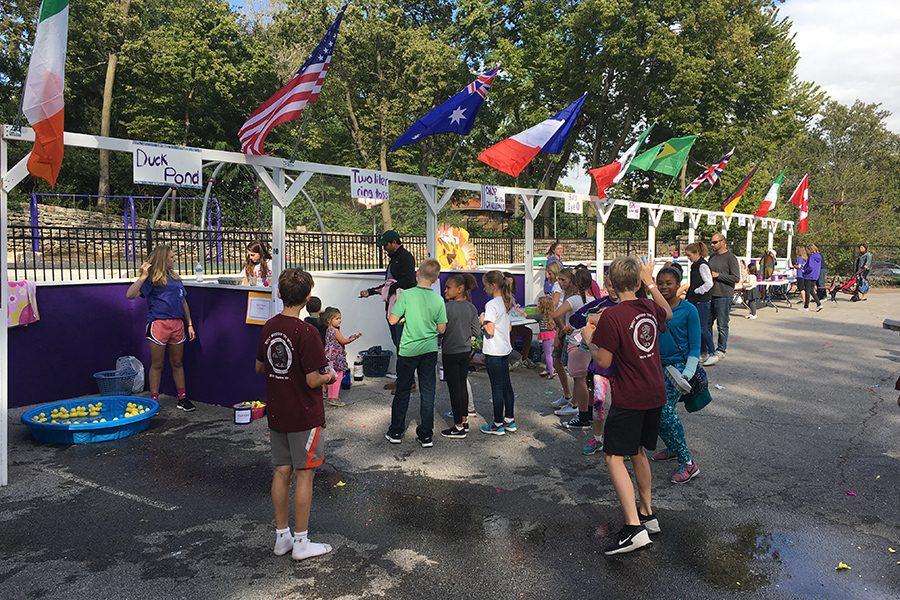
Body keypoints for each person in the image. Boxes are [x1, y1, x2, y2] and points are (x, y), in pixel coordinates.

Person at [582, 256, 672, 555]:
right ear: (637, 282)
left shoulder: (612, 316)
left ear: (612, 284)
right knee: (637, 451)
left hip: (630, 395)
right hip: (654, 391)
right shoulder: (648, 307)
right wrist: (650, 282)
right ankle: (647, 513)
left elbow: (604, 361)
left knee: (613, 456)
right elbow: (667, 313)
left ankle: (634, 528)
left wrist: (589, 340)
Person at [256, 268, 335, 561]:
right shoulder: (307, 332)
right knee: (305, 474)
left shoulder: (268, 327)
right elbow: (313, 379)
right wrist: (329, 377)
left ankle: (282, 536)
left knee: (281, 471)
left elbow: (260, 367)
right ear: (308, 298)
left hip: (278, 409)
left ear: (279, 294)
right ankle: (301, 542)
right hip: (305, 413)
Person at [384, 259, 447, 447]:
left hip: (408, 349)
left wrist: (404, 316)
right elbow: (442, 329)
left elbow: (393, 320)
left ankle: (396, 431)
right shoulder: (438, 299)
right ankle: (426, 434)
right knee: (428, 391)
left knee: (403, 389)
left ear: (417, 273)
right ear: (436, 279)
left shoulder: (406, 295)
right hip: (429, 349)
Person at [126, 245, 196, 412]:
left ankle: (182, 398)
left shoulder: (176, 278)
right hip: (159, 324)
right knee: (157, 364)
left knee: (177, 362)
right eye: (171, 257)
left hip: (177, 325)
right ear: (163, 259)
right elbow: (130, 294)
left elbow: (183, 301)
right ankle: (154, 400)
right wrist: (143, 276)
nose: (174, 259)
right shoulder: (152, 279)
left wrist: (190, 324)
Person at [651, 267, 701, 483]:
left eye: (669, 283)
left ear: (679, 283)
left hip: (678, 369)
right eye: (660, 282)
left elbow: (695, 347)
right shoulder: (653, 308)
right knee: (658, 410)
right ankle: (673, 447)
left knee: (664, 411)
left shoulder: (689, 310)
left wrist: (687, 373)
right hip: (656, 367)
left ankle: (688, 463)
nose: (664, 287)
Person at [359, 231, 417, 381]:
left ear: (393, 242)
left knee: (402, 345)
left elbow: (408, 281)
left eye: (385, 245)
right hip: (392, 308)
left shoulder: (405, 258)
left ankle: (407, 382)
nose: (384, 248)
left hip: (401, 308)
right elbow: (389, 284)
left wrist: (387, 289)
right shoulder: (395, 259)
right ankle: (402, 380)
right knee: (398, 344)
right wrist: (371, 292)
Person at [440, 274, 480, 439]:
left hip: (450, 352)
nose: (445, 290)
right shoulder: (472, 308)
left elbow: (441, 330)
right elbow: (476, 332)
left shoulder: (446, 308)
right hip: (465, 352)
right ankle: (464, 420)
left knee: (454, 389)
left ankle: (458, 426)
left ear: (460, 289)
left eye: (448, 287)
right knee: (462, 386)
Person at [480, 270, 517, 436]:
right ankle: (509, 419)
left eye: (485, 285)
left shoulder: (491, 305)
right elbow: (508, 327)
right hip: (504, 349)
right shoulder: (505, 301)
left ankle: (497, 423)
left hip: (493, 350)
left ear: (493, 285)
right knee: (506, 384)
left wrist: (482, 321)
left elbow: (490, 330)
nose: (484, 289)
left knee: (496, 387)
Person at [549, 268, 586, 419]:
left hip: (573, 337)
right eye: (559, 279)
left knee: (577, 374)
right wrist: (560, 330)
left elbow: (557, 314)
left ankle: (575, 404)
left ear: (571, 280)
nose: (560, 282)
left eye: (563, 280)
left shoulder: (575, 297)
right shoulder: (569, 295)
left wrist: (562, 329)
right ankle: (567, 396)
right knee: (557, 362)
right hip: (565, 333)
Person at [706, 234, 740, 365]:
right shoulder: (712, 256)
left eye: (715, 242)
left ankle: (721, 349)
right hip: (710, 294)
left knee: (722, 325)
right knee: (706, 324)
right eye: (712, 242)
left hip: (724, 295)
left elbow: (736, 278)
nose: (712, 245)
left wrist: (718, 275)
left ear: (723, 242)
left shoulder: (731, 258)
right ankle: (709, 349)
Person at [320, 307, 362, 407]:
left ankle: (327, 393)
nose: (340, 320)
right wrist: (354, 337)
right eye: (337, 318)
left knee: (331, 374)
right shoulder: (335, 331)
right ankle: (333, 397)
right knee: (337, 376)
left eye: (340, 318)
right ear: (329, 320)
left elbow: (332, 344)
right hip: (336, 358)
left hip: (329, 356)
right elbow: (343, 341)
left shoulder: (328, 330)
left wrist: (342, 350)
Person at [683, 243, 715, 363]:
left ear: (696, 253)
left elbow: (709, 283)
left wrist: (697, 291)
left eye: (689, 255)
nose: (688, 258)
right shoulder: (696, 265)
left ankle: (712, 352)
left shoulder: (702, 266)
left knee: (703, 328)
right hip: (695, 300)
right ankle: (703, 352)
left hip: (701, 301)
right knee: (698, 328)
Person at [536, 295, 558, 379]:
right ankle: (549, 369)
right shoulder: (552, 315)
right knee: (551, 354)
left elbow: (527, 316)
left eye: (538, 304)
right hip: (553, 336)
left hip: (547, 338)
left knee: (547, 355)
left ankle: (551, 372)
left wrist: (518, 310)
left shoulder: (540, 316)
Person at [801, 245, 823, 312]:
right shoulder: (819, 256)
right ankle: (819, 304)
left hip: (808, 275)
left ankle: (806, 307)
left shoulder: (811, 256)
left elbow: (810, 266)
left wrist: (805, 270)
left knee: (807, 291)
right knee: (811, 290)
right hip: (815, 275)